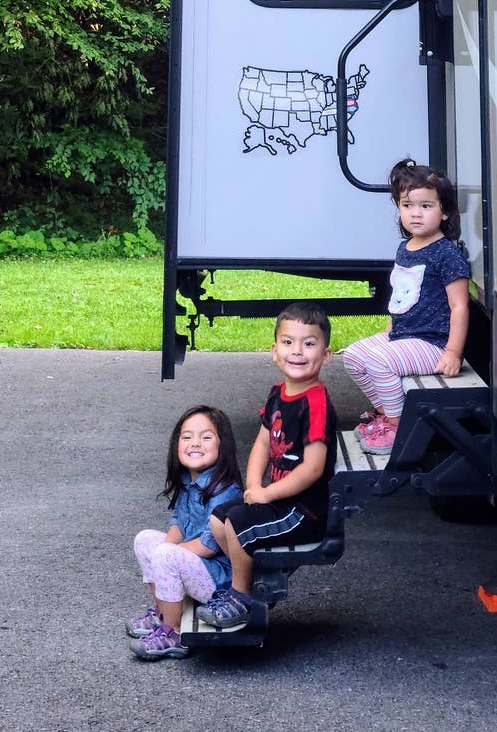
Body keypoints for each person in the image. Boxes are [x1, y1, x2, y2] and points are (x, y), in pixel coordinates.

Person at [197, 302, 338, 632]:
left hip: (303, 512)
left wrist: (267, 494)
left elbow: (313, 469)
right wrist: (253, 487)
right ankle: (246, 581)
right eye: (288, 342)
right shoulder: (278, 393)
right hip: (279, 501)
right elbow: (262, 443)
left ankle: (241, 598)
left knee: (238, 524)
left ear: (326, 355)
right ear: (274, 351)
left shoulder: (315, 402)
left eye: (309, 343)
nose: (298, 352)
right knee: (219, 519)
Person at [341, 159, 471, 455]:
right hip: (404, 334)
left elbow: (459, 306)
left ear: (445, 211)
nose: (415, 213)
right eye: (407, 205)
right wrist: (390, 327)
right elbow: (402, 294)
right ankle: (388, 415)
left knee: (379, 362)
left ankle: (401, 427)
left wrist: (453, 352)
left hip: (433, 343)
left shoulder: (446, 254)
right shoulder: (406, 247)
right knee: (354, 356)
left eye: (426, 206)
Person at [127, 405, 245, 660]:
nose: (195, 443)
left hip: (218, 582)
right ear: (176, 444)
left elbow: (208, 546)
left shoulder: (225, 488)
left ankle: (174, 633)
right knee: (145, 539)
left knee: (165, 555)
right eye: (187, 436)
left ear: (222, 445)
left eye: (206, 437)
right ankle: (162, 612)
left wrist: (166, 556)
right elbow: (178, 523)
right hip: (195, 566)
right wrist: (163, 553)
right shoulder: (187, 480)